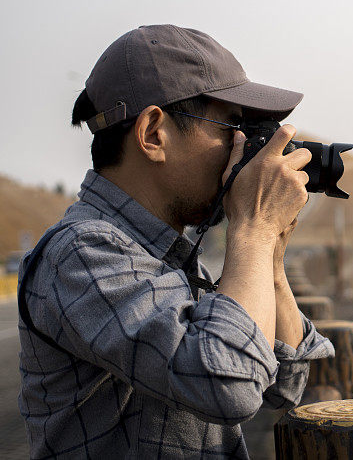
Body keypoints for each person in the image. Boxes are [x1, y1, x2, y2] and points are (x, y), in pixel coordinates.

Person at [17, 24, 335, 458]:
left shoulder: (165, 257)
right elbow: (232, 387)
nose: (243, 151)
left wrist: (271, 257)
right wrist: (253, 230)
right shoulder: (81, 254)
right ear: (153, 134)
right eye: (231, 128)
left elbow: (287, 382)